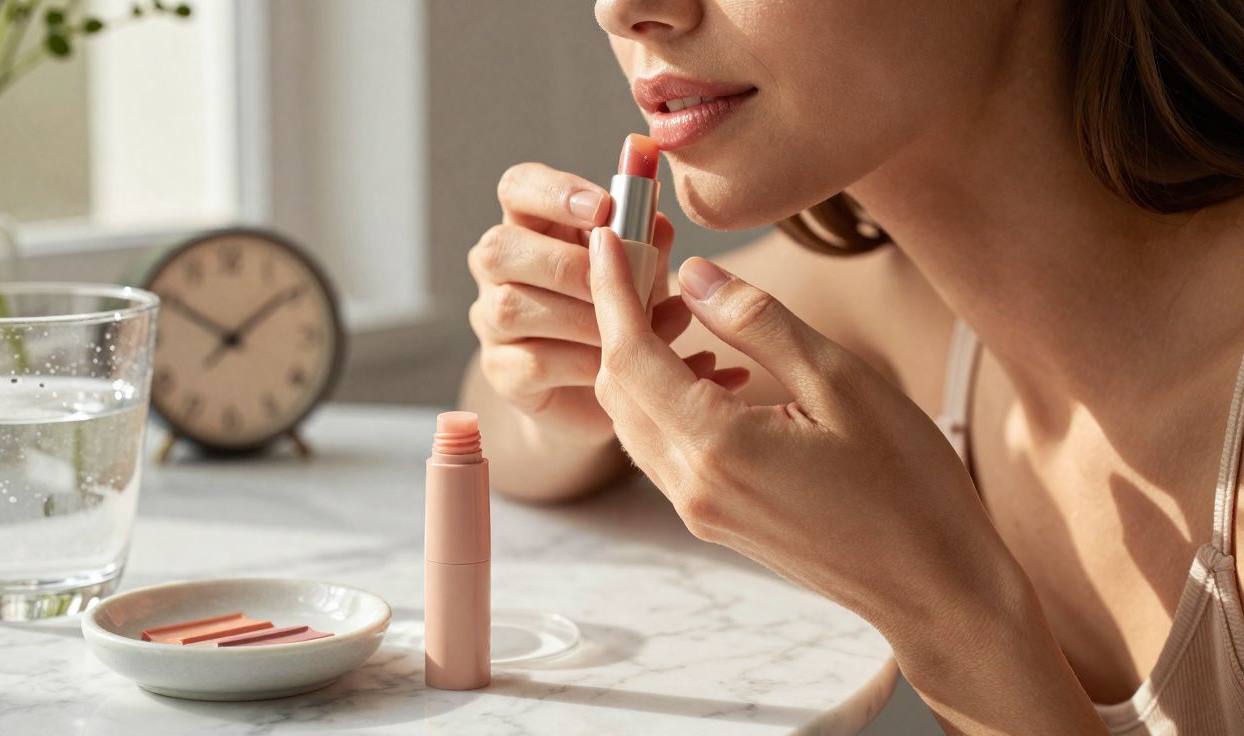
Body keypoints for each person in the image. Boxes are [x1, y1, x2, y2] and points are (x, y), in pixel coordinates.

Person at [460, 1, 1244, 732]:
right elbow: (502, 427)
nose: (620, 8)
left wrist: (942, 609)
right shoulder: (899, 302)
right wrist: (577, 365)